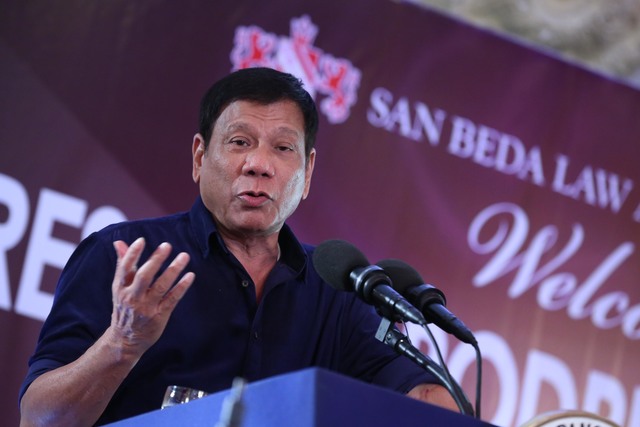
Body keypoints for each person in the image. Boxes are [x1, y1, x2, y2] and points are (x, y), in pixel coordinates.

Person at [19, 67, 457, 426]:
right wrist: (123, 342)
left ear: (307, 172)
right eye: (239, 142)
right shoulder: (125, 255)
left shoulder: (340, 294)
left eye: (283, 147)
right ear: (199, 156)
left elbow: (424, 399)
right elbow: (39, 419)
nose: (259, 165)